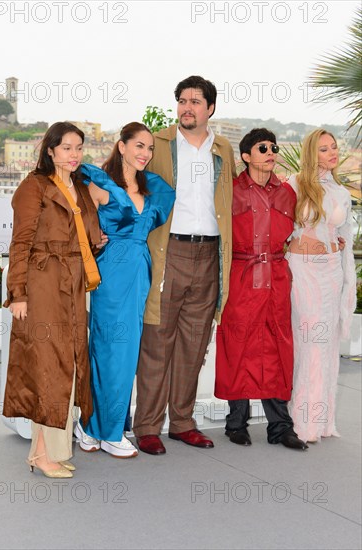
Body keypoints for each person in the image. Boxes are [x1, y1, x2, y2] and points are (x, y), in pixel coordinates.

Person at [133, 76, 236, 455]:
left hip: (209, 255)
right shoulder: (158, 144)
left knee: (194, 344)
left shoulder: (223, 149)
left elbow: (230, 204)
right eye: (181, 100)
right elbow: (127, 180)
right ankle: (146, 426)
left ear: (210, 108)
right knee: (157, 341)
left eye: (195, 101)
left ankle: (182, 423)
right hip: (168, 252)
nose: (186, 107)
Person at [3, 121, 102, 477]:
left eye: (78, 148)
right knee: (50, 366)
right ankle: (42, 456)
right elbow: (21, 243)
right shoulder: (35, 186)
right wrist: (18, 293)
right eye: (67, 148)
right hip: (43, 281)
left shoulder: (79, 187)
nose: (74, 155)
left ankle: (51, 451)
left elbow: (90, 236)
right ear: (50, 150)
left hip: (73, 283)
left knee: (71, 364)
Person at [73, 122, 175, 458]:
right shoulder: (99, 184)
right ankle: (103, 429)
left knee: (124, 352)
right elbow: (79, 223)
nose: (145, 154)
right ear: (121, 146)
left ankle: (94, 428)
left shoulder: (154, 189)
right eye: (139, 146)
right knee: (106, 349)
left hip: (139, 271)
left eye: (150, 149)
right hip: (110, 271)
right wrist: (93, 239)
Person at [215, 128, 308, 451]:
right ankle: (236, 423)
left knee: (277, 348)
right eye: (262, 148)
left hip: (277, 278)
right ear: (245, 156)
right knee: (237, 345)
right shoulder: (230, 191)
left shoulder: (286, 194)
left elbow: (297, 232)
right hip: (241, 275)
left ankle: (280, 427)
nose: (271, 152)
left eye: (274, 147)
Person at [287, 129, 356, 443]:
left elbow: (345, 234)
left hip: (331, 273)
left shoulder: (341, 192)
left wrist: (337, 244)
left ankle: (322, 421)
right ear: (311, 153)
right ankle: (302, 421)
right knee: (308, 343)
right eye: (324, 148)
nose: (332, 153)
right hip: (303, 272)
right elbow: (282, 229)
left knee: (326, 346)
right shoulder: (294, 184)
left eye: (335, 147)